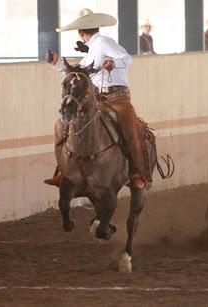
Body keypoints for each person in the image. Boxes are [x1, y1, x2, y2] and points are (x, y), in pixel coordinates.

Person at [44, 8, 149, 190]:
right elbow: (77, 73)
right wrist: (57, 63)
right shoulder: (92, 49)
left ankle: (138, 172)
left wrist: (115, 62)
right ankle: (65, 170)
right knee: (69, 124)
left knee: (130, 125)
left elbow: (127, 58)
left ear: (81, 32)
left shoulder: (103, 43)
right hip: (96, 98)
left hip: (117, 97)